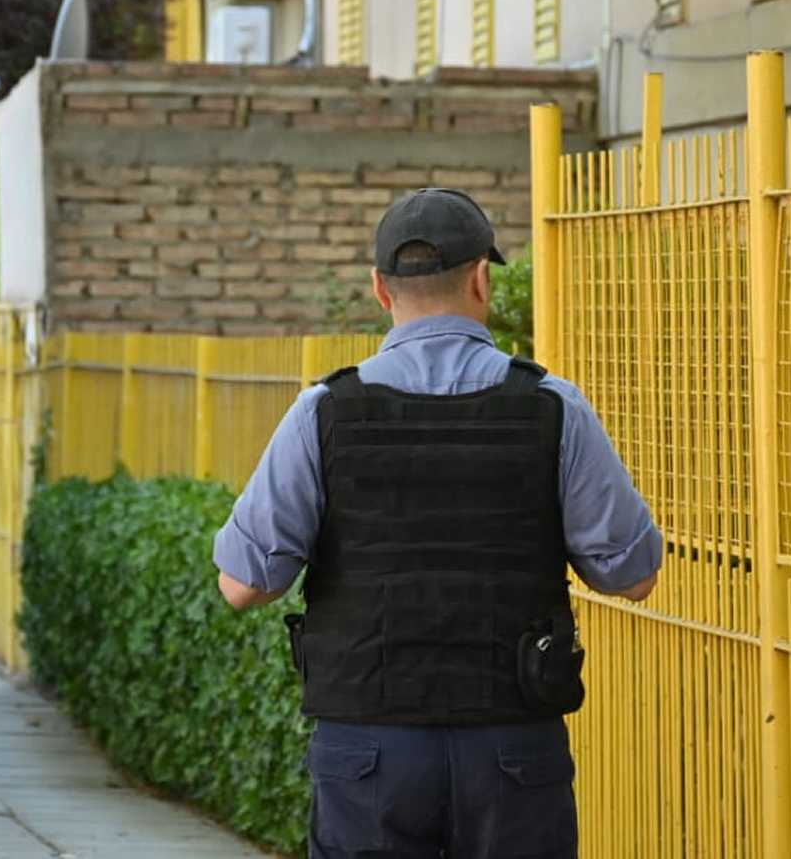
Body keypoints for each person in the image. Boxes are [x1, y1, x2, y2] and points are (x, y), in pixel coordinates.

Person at [212, 187, 663, 859]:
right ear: (482, 277)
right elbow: (633, 574)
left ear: (379, 289)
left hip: (368, 751)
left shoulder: (323, 412)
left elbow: (244, 583)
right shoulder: (552, 407)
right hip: (512, 747)